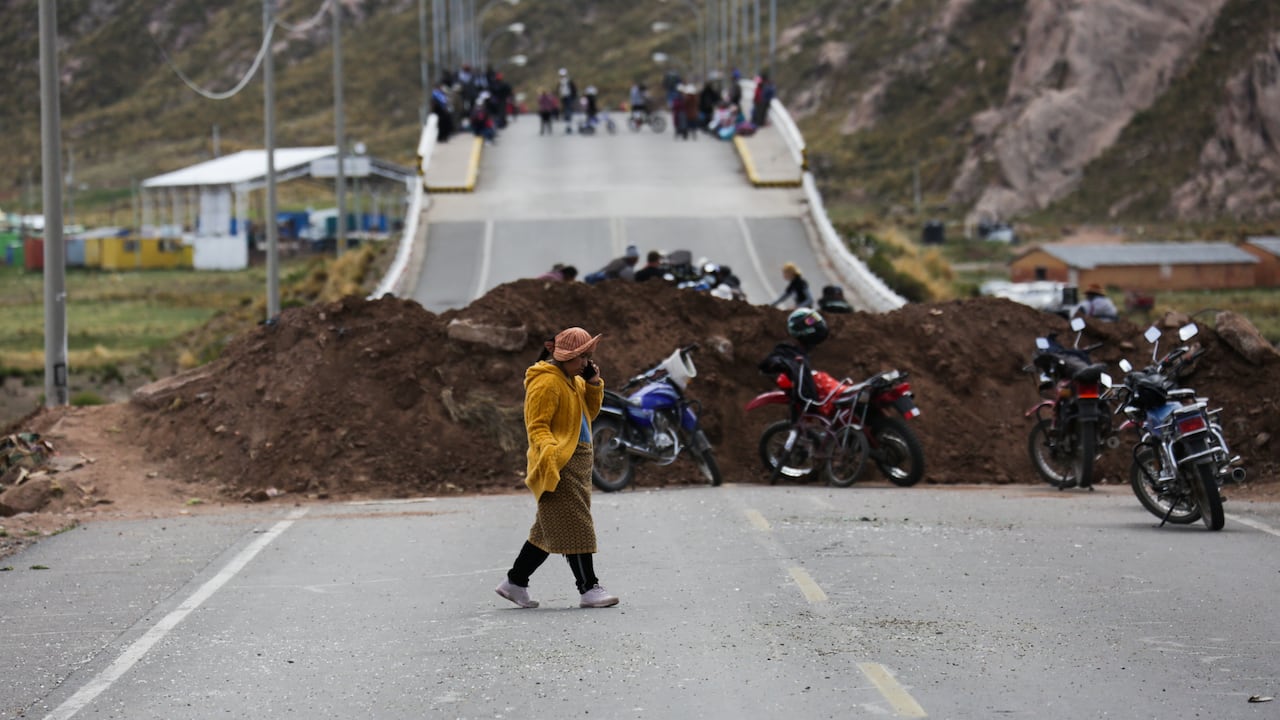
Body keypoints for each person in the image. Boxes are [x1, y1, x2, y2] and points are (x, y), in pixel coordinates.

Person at [496, 327, 619, 610]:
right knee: (578, 526)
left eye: (588, 357)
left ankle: (515, 582)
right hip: (559, 463)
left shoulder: (572, 379)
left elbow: (589, 413)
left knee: (546, 532)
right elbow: (536, 425)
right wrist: (551, 454)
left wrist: (594, 383)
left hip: (577, 462)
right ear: (563, 356)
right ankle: (588, 588)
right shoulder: (546, 383)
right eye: (581, 357)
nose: (586, 363)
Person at [558, 68, 578, 134]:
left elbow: (574, 89)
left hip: (569, 97)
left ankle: (569, 125)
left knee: (568, 111)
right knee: (566, 111)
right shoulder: (560, 82)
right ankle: (567, 125)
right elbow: (559, 90)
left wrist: (574, 97)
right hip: (564, 98)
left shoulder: (569, 81)